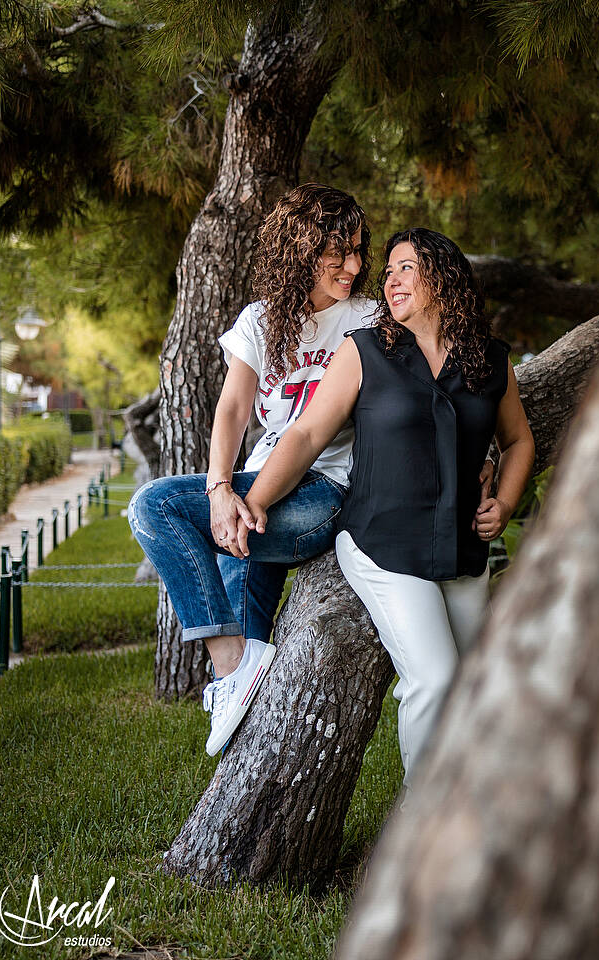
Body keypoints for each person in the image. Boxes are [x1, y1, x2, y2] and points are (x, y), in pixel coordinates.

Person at [242, 227, 534, 782]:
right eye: (389, 271)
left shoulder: (491, 359)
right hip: (382, 544)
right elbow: (306, 435)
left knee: (473, 686)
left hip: (463, 548)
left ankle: (465, 808)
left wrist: (505, 501)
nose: (391, 281)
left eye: (407, 268)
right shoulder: (365, 350)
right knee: (434, 679)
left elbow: (518, 439)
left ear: (443, 277)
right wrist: (254, 500)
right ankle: (419, 821)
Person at [129, 183, 378, 757]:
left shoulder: (369, 318)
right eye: (337, 252)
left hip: (321, 495)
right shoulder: (260, 321)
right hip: (255, 493)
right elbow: (233, 410)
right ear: (300, 249)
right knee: (250, 646)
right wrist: (221, 490)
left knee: (154, 506)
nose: (353, 266)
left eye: (358, 251)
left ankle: (227, 665)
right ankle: (240, 680)